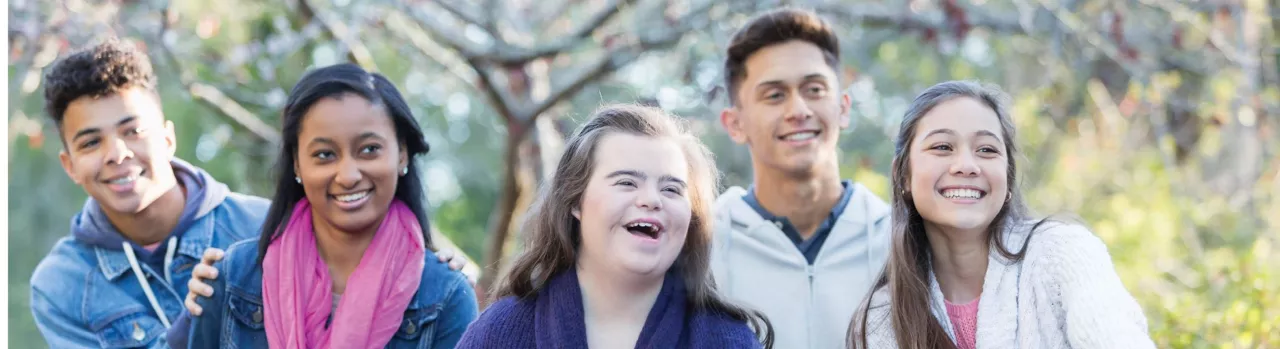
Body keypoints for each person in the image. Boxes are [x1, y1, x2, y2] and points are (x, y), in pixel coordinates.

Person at [183, 63, 477, 348]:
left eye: (369, 150)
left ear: (401, 154)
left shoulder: (446, 296)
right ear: (297, 163)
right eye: (325, 155)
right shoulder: (232, 278)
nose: (348, 176)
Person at [848, 80, 1155, 348]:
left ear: (1007, 177)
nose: (966, 165)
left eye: (986, 150)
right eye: (942, 147)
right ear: (903, 176)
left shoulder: (1063, 253)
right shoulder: (882, 318)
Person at [455, 104, 772, 348]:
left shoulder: (727, 340)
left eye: (671, 189)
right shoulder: (501, 331)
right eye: (626, 182)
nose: (652, 200)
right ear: (575, 201)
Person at [28, 38, 273, 348]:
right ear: (70, 166)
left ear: (168, 139)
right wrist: (192, 329)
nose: (117, 153)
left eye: (133, 131)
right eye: (91, 143)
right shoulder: (60, 285)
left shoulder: (264, 228)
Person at [712, 8, 891, 349]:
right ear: (735, 123)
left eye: (814, 89)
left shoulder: (899, 242)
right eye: (774, 95)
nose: (798, 111)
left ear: (843, 108)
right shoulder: (702, 251)